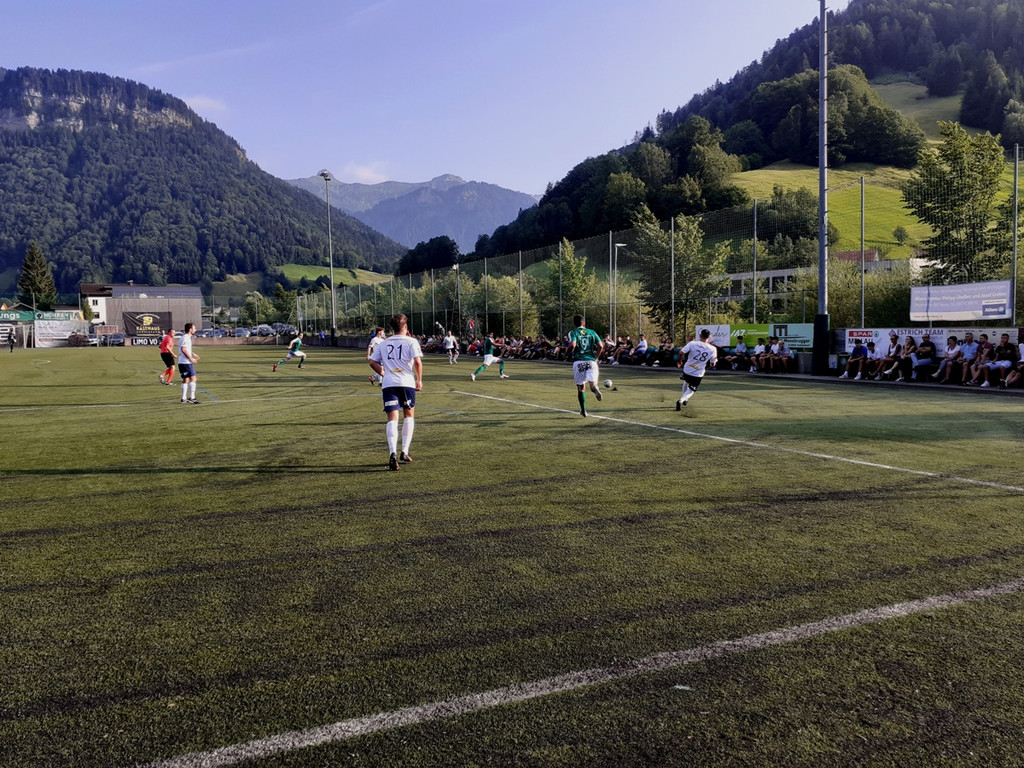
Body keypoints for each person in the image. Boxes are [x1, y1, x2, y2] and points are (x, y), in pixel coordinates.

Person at [368, 314, 422, 470]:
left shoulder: (384, 343)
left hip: (389, 384)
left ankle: (392, 453)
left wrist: (383, 373)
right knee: (409, 415)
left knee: (392, 418)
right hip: (406, 383)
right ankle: (404, 451)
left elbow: (372, 361)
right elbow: (417, 362)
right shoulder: (411, 341)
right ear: (405, 327)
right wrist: (419, 380)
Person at [566, 314, 605, 417]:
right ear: (584, 322)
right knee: (592, 384)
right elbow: (600, 346)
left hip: (578, 361)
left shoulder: (573, 332)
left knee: (581, 387)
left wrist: (566, 354)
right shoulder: (592, 332)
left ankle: (583, 410)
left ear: (575, 324)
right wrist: (596, 357)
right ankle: (595, 389)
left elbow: (572, 345)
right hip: (591, 361)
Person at [675, 328, 718, 409]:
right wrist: (711, 364)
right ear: (709, 337)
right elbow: (713, 364)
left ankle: (684, 400)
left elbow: (681, 353)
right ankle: (682, 400)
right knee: (692, 388)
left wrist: (679, 362)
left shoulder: (693, 343)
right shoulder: (713, 349)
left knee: (686, 382)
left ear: (700, 336)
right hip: (698, 372)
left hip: (688, 368)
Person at [177, 322, 200, 404]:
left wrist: (193, 354)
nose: (195, 330)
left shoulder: (184, 337)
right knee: (193, 378)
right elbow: (183, 349)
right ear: (190, 329)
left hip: (181, 362)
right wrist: (191, 359)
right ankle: (192, 398)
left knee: (186, 379)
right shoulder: (186, 337)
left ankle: (183, 398)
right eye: (194, 328)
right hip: (186, 362)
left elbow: (184, 348)